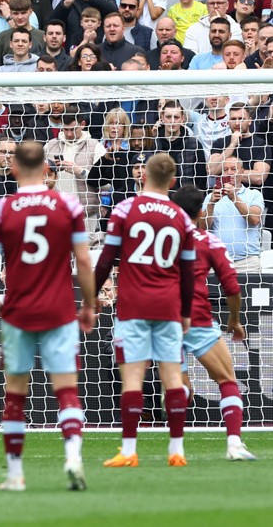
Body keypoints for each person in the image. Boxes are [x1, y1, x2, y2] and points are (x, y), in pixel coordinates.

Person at [0, 140, 96, 492]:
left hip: (17, 312)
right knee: (66, 390)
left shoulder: (2, 210)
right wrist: (88, 304)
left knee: (15, 393)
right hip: (59, 309)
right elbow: (84, 261)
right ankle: (73, 456)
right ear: (47, 169)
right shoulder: (68, 206)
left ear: (13, 168)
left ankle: (15, 474)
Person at [95, 153, 197, 468]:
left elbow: (106, 258)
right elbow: (188, 270)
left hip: (133, 306)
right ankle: (176, 450)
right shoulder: (180, 216)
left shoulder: (125, 209)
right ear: (174, 180)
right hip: (167, 305)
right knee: (172, 378)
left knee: (133, 379)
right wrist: (185, 312)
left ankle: (128, 451)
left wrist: (89, 298)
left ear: (143, 175)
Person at [170, 184, 257, 461]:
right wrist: (234, 320)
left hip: (164, 321)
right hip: (197, 318)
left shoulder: (162, 241)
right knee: (226, 380)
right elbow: (231, 286)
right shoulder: (209, 241)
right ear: (200, 210)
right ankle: (234, 445)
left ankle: (177, 449)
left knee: (182, 390)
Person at [203, 155, 265, 271]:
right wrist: (211, 204)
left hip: (248, 262)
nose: (229, 173)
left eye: (233, 169)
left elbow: (254, 220)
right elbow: (203, 228)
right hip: (217, 261)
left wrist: (234, 198)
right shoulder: (210, 197)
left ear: (242, 172)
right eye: (225, 170)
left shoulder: (254, 194)